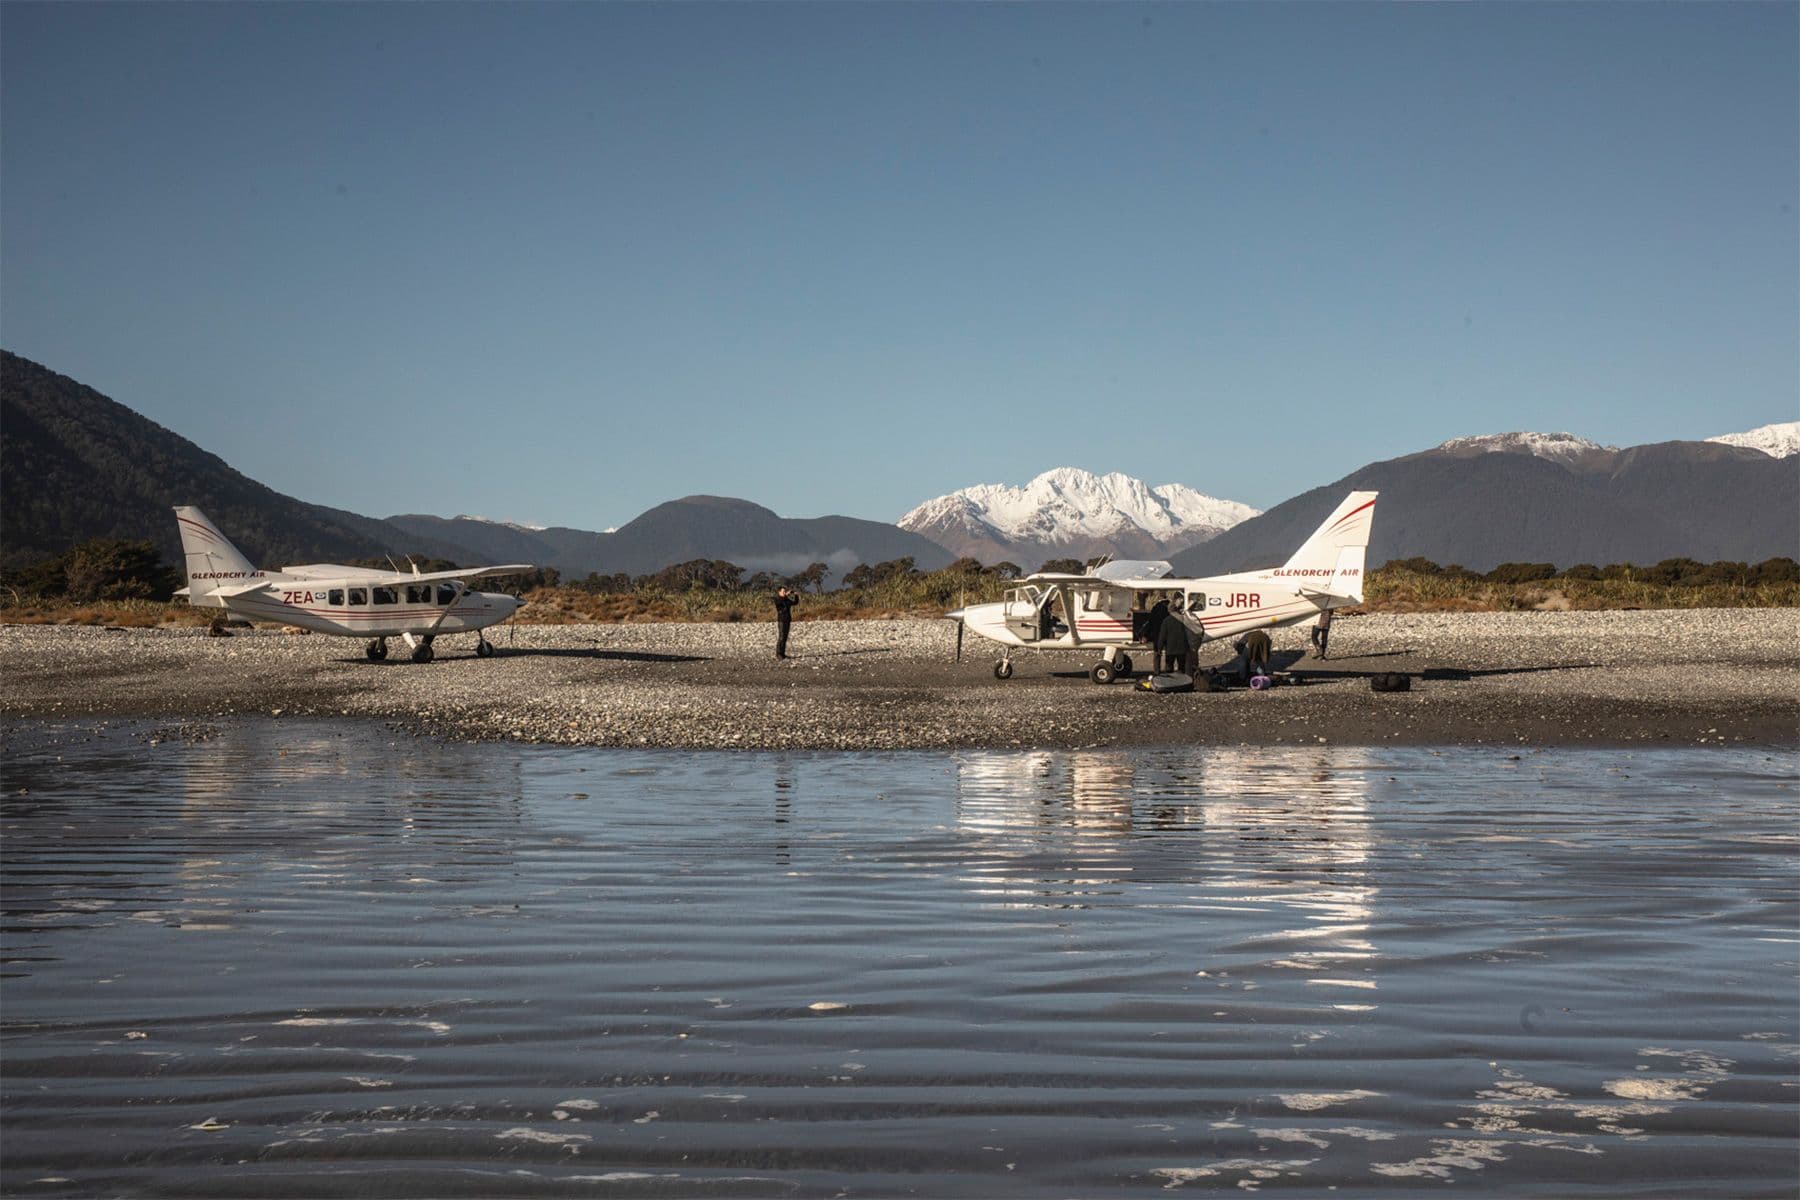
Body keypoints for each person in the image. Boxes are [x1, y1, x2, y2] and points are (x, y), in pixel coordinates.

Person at [1156, 609, 1192, 676]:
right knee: (1181, 668)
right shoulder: (1183, 619)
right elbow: (1189, 633)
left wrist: (1159, 649)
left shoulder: (1166, 620)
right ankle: (1182, 682)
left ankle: (1170, 683)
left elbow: (1162, 636)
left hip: (1170, 649)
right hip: (1182, 649)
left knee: (1169, 668)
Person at [1145, 596, 1172, 670]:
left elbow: (1150, 622)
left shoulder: (1155, 609)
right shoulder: (1167, 610)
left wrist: (1146, 635)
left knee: (1157, 653)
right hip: (1167, 634)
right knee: (1168, 653)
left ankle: (1157, 671)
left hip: (1157, 633)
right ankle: (1168, 670)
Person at [773, 586, 798, 659]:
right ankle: (778, 654)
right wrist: (786, 594)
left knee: (785, 638)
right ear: (779, 592)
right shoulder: (777, 599)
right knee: (781, 637)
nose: (784, 593)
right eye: (783, 592)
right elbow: (779, 602)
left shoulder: (786, 600)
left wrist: (796, 595)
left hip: (787, 620)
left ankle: (783, 653)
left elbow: (795, 603)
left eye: (785, 591)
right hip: (781, 621)